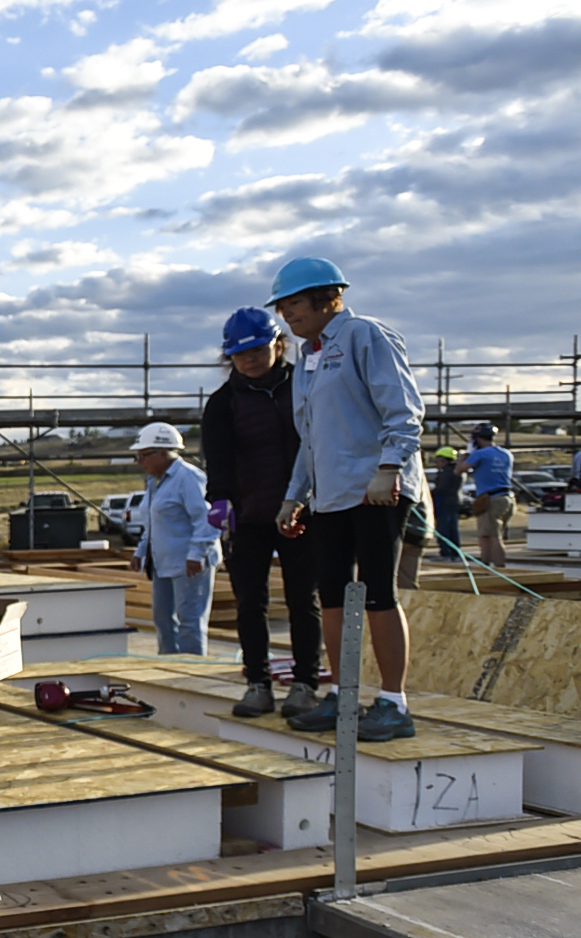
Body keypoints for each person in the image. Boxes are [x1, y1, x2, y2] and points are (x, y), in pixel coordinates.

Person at [269, 256, 424, 743]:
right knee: (331, 594)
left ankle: (394, 703)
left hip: (377, 489)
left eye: (293, 304)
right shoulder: (308, 358)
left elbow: (403, 408)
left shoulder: (365, 336)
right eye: (282, 307)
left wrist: (389, 467)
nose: (286, 315)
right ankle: (342, 694)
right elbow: (309, 438)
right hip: (331, 494)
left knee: (378, 593)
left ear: (325, 297)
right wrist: (295, 496)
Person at [199, 307, 322, 718]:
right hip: (247, 515)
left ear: (278, 345)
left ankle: (305, 683)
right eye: (240, 354)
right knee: (251, 602)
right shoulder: (222, 404)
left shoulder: (304, 387)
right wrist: (219, 499)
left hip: (301, 511)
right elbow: (217, 459)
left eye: (257, 350)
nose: (249, 359)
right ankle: (258, 683)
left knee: (303, 599)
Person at [131, 422, 219, 656]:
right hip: (163, 563)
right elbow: (152, 520)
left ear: (163, 453)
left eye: (143, 456)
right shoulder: (154, 482)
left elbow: (209, 519)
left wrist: (197, 554)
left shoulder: (189, 478)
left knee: (189, 623)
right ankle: (168, 665)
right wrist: (142, 550)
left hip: (189, 564)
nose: (140, 462)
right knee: (163, 620)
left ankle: (192, 674)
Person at [461, 421, 515, 568]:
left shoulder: (479, 454)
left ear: (477, 439)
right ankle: (485, 564)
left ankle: (498, 567)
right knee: (487, 535)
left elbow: (459, 470)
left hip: (491, 498)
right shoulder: (506, 453)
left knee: (493, 536)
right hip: (507, 497)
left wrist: (467, 453)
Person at [429, 446, 463, 559]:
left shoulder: (446, 473)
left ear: (444, 460)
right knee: (453, 528)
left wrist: (430, 493)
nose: (437, 463)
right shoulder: (457, 471)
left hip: (444, 502)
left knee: (443, 528)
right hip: (454, 502)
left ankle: (445, 553)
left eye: (438, 461)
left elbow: (441, 488)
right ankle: (455, 552)